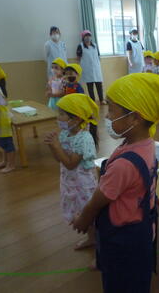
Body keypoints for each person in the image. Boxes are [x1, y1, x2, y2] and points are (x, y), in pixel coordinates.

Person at [71, 73, 159, 293]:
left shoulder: (125, 164)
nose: (107, 116)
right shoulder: (146, 144)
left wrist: (85, 217)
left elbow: (101, 197)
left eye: (112, 110)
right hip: (141, 233)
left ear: (135, 118)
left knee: (120, 283)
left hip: (123, 240)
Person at [44, 94, 99, 251]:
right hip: (69, 180)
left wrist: (56, 147)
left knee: (86, 211)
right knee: (79, 209)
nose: (58, 117)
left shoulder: (84, 138)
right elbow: (59, 160)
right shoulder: (64, 134)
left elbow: (71, 164)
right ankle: (92, 238)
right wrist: (52, 146)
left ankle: (96, 239)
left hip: (82, 182)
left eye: (62, 114)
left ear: (76, 119)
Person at [77, 30, 105, 105]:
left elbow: (98, 56)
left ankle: (101, 100)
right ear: (83, 37)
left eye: (89, 35)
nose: (88, 37)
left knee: (99, 85)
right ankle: (93, 101)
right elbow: (78, 58)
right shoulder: (81, 46)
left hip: (96, 68)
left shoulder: (95, 45)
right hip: (87, 69)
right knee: (90, 86)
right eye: (86, 36)